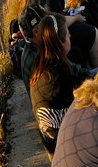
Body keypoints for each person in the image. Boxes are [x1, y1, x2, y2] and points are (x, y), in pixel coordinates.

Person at [29, 15, 93, 153]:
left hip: (50, 136)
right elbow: (82, 106)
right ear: (61, 42)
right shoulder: (60, 75)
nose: (70, 35)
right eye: (68, 36)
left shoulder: (41, 61)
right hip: (61, 143)